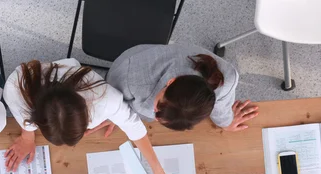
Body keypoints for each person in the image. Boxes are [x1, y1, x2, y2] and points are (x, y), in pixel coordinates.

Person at [2, 58, 171, 174]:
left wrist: (158, 169)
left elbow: (132, 125)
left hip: (69, 72)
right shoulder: (15, 89)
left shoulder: (104, 97)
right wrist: (27, 137)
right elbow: (25, 120)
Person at [106, 43, 258, 132]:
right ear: (170, 82)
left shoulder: (227, 79)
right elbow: (111, 94)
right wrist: (115, 113)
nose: (156, 118)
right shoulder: (130, 79)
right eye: (158, 108)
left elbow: (221, 106)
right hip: (134, 62)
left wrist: (226, 122)